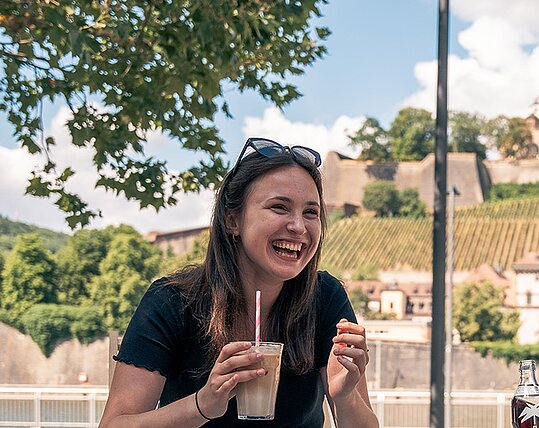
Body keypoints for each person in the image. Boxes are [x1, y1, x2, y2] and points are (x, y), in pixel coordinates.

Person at [100, 137, 378, 427]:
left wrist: (345, 396)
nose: (298, 226)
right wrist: (203, 404)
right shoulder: (172, 301)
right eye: (280, 207)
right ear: (233, 219)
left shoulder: (324, 297)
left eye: (311, 212)